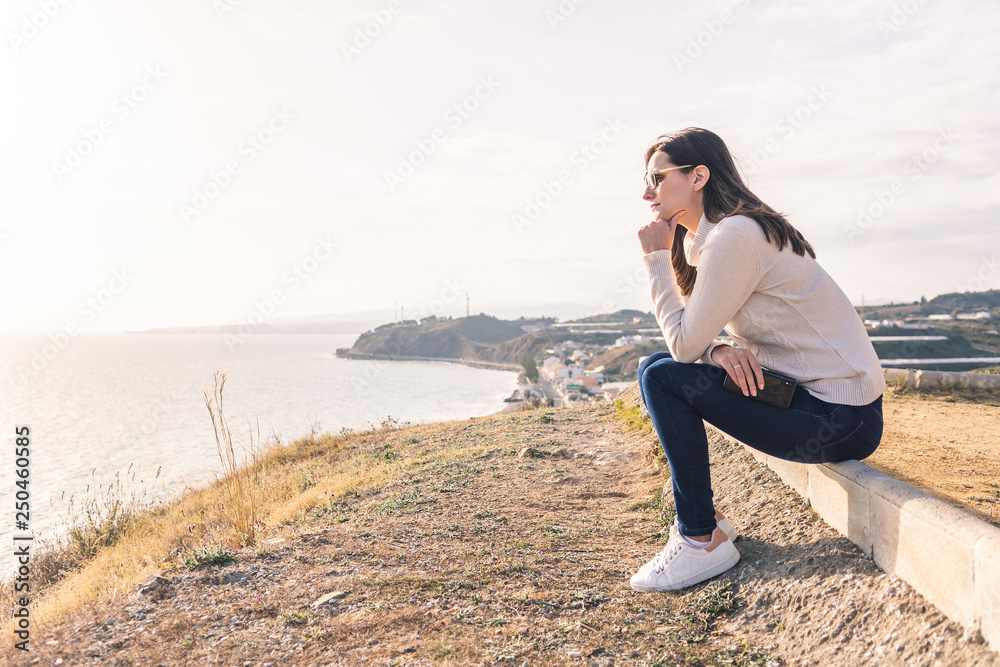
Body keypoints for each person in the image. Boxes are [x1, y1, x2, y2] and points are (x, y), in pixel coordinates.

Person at [630, 127, 885, 593]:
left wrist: (655, 263)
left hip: (842, 416)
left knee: (665, 376)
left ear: (698, 176)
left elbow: (683, 346)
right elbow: (699, 336)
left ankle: (700, 538)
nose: (646, 192)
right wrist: (720, 349)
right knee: (652, 368)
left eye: (657, 177)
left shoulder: (736, 236)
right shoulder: (706, 239)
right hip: (805, 398)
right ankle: (710, 525)